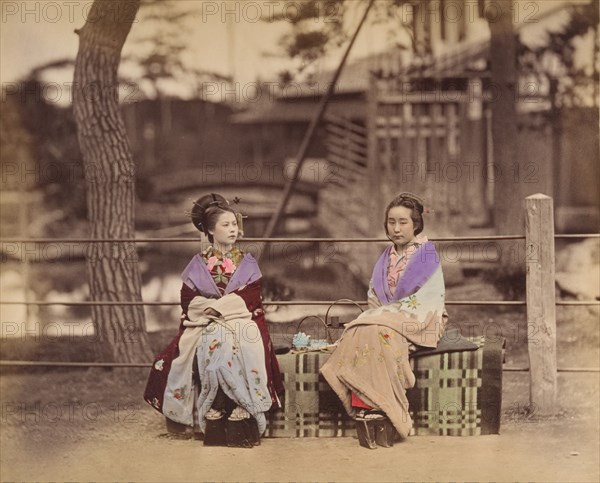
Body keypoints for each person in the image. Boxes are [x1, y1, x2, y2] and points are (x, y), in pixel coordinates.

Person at [144, 193, 283, 447]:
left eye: (234, 224)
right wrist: (213, 311)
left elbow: (250, 299)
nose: (233, 230)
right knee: (213, 343)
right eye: (226, 225)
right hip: (206, 323)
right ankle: (219, 407)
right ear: (210, 230)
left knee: (238, 341)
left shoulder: (247, 262)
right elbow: (188, 301)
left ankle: (236, 406)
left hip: (241, 320)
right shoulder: (197, 264)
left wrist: (218, 309)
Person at [320, 192, 446, 449]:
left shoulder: (426, 255)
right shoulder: (385, 256)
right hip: (387, 319)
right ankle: (371, 406)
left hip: (421, 319)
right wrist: (380, 316)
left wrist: (384, 317)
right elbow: (373, 296)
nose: (396, 228)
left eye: (403, 222)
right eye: (391, 222)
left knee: (376, 330)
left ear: (416, 224)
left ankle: (385, 408)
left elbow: (427, 301)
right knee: (364, 331)